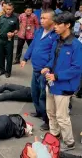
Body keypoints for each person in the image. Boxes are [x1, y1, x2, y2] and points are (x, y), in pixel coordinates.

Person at [41, 12, 82, 152]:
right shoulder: (57, 40)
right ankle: (54, 135)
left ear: (68, 25)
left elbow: (77, 68)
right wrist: (47, 66)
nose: (55, 27)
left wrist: (57, 76)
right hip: (51, 83)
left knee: (62, 116)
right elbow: (53, 58)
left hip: (64, 86)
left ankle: (69, 143)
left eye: (58, 24)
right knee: (50, 112)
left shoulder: (76, 45)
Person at [20, 9, 58, 131]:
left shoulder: (55, 36)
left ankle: (47, 120)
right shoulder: (39, 31)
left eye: (44, 18)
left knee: (43, 96)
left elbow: (54, 55)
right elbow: (32, 46)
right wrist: (25, 58)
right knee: (34, 93)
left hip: (45, 72)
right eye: (41, 18)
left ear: (52, 20)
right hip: (35, 69)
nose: (41, 20)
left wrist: (48, 67)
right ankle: (39, 111)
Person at [0, 3, 19, 78]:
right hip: (0, 39)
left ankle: (8, 71)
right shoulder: (1, 17)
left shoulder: (15, 18)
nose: (8, 11)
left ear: (12, 9)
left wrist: (13, 33)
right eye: (7, 9)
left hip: (9, 41)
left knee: (9, 56)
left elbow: (17, 29)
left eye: (10, 9)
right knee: (0, 55)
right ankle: (1, 70)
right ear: (5, 9)